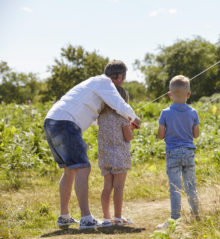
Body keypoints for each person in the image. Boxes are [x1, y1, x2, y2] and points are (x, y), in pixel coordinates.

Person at [43, 60, 141, 229]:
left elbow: (96, 118)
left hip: (52, 120)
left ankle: (64, 216)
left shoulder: (93, 83)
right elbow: (118, 104)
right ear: (119, 77)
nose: (121, 84)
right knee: (83, 168)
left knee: (70, 170)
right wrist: (134, 118)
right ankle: (86, 218)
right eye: (123, 79)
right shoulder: (104, 83)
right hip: (66, 122)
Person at [157, 75, 200, 229]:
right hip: (189, 152)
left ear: (170, 94)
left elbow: (160, 135)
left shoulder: (165, 113)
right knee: (190, 185)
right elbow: (196, 135)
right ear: (188, 94)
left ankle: (175, 217)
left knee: (175, 187)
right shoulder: (193, 112)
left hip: (173, 152)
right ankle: (196, 214)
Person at [98, 86, 134, 227]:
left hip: (105, 157)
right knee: (118, 187)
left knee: (107, 187)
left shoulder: (101, 117)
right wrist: (131, 127)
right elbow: (128, 137)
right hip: (119, 157)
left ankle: (106, 218)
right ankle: (118, 217)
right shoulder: (122, 117)